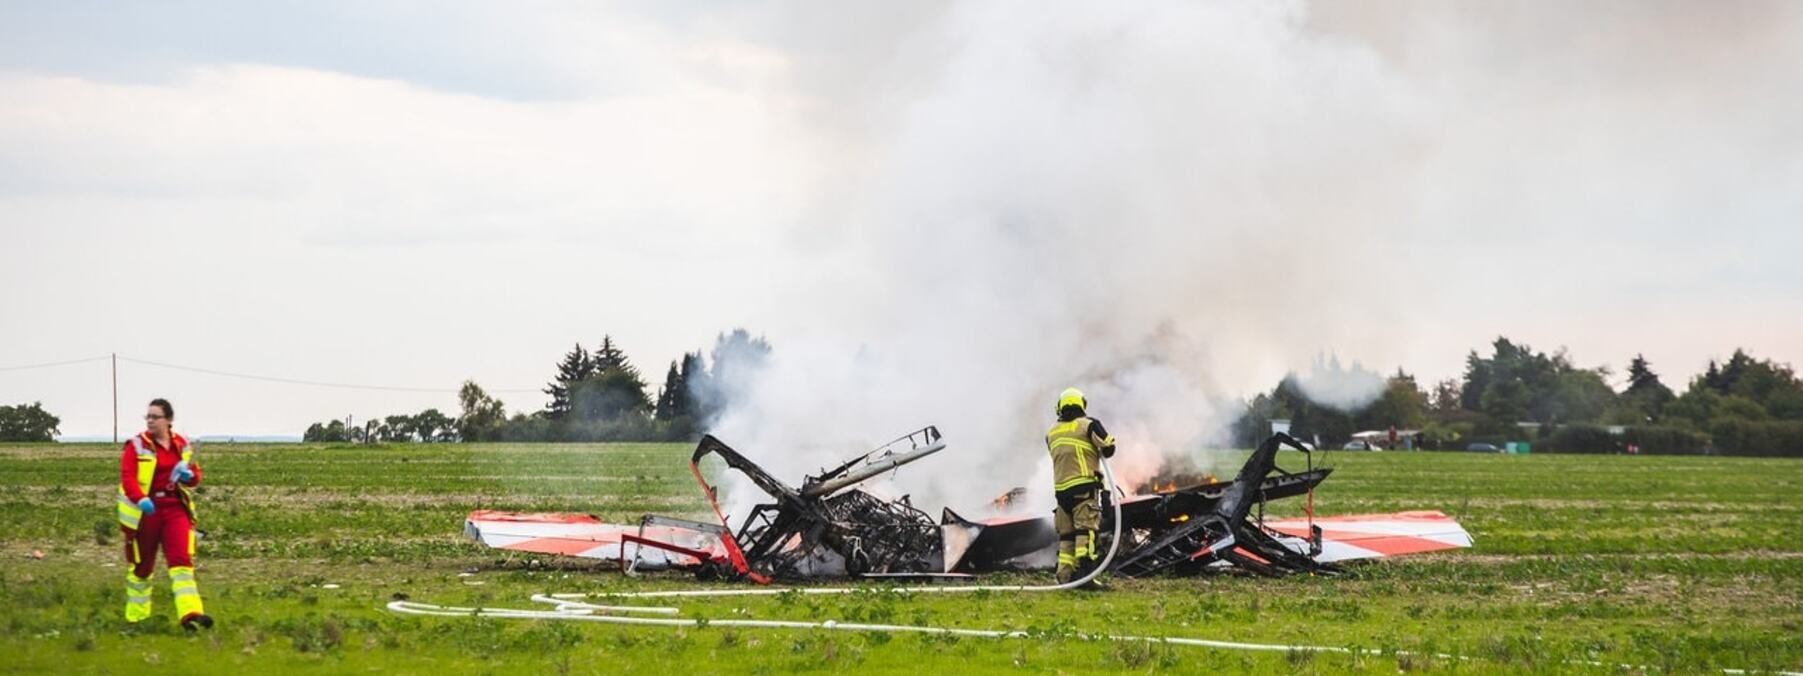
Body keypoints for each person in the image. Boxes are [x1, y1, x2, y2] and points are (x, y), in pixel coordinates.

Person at [116, 398, 212, 630]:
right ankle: (137, 618)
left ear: (168, 420)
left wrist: (190, 476)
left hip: (175, 509)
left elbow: (195, 476)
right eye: (147, 417)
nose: (150, 421)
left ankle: (191, 614)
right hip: (146, 513)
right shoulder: (136, 445)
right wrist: (141, 499)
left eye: (155, 417)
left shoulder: (182, 444)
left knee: (182, 562)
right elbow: (128, 478)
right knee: (142, 568)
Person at [1044, 387, 1117, 586]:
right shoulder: (1089, 425)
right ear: (1082, 405)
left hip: (1061, 493)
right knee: (1086, 532)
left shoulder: (1051, 433)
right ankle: (1085, 577)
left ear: (1060, 407)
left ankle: (1065, 577)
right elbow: (1109, 447)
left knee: (1067, 537)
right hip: (1084, 490)